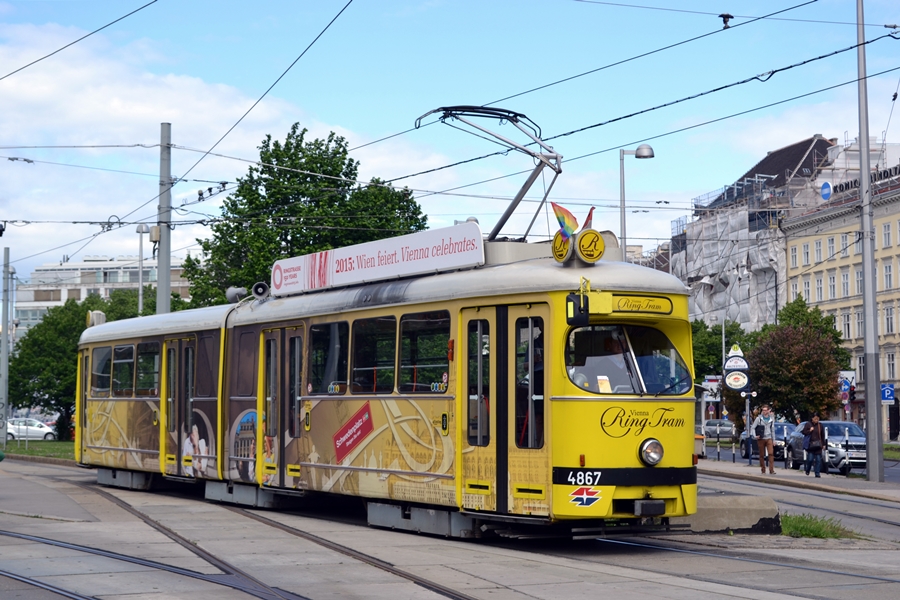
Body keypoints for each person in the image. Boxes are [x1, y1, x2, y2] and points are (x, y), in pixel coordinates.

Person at [751, 404, 776, 474]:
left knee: (771, 453)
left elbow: (773, 430)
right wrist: (755, 436)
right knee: (761, 455)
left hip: (769, 437)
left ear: (768, 410)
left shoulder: (771, 419)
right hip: (761, 438)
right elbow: (753, 427)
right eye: (763, 410)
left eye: (766, 410)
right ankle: (763, 469)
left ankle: (771, 470)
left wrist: (774, 440)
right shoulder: (758, 419)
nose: (764, 412)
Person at [802, 413, 826, 477]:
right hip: (811, 445)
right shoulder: (808, 424)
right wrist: (810, 430)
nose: (816, 420)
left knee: (818, 460)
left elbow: (822, 435)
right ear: (812, 419)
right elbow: (804, 432)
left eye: (817, 419)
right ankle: (808, 469)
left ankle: (817, 473)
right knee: (810, 459)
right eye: (815, 418)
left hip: (818, 445)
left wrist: (823, 444)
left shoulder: (820, 425)